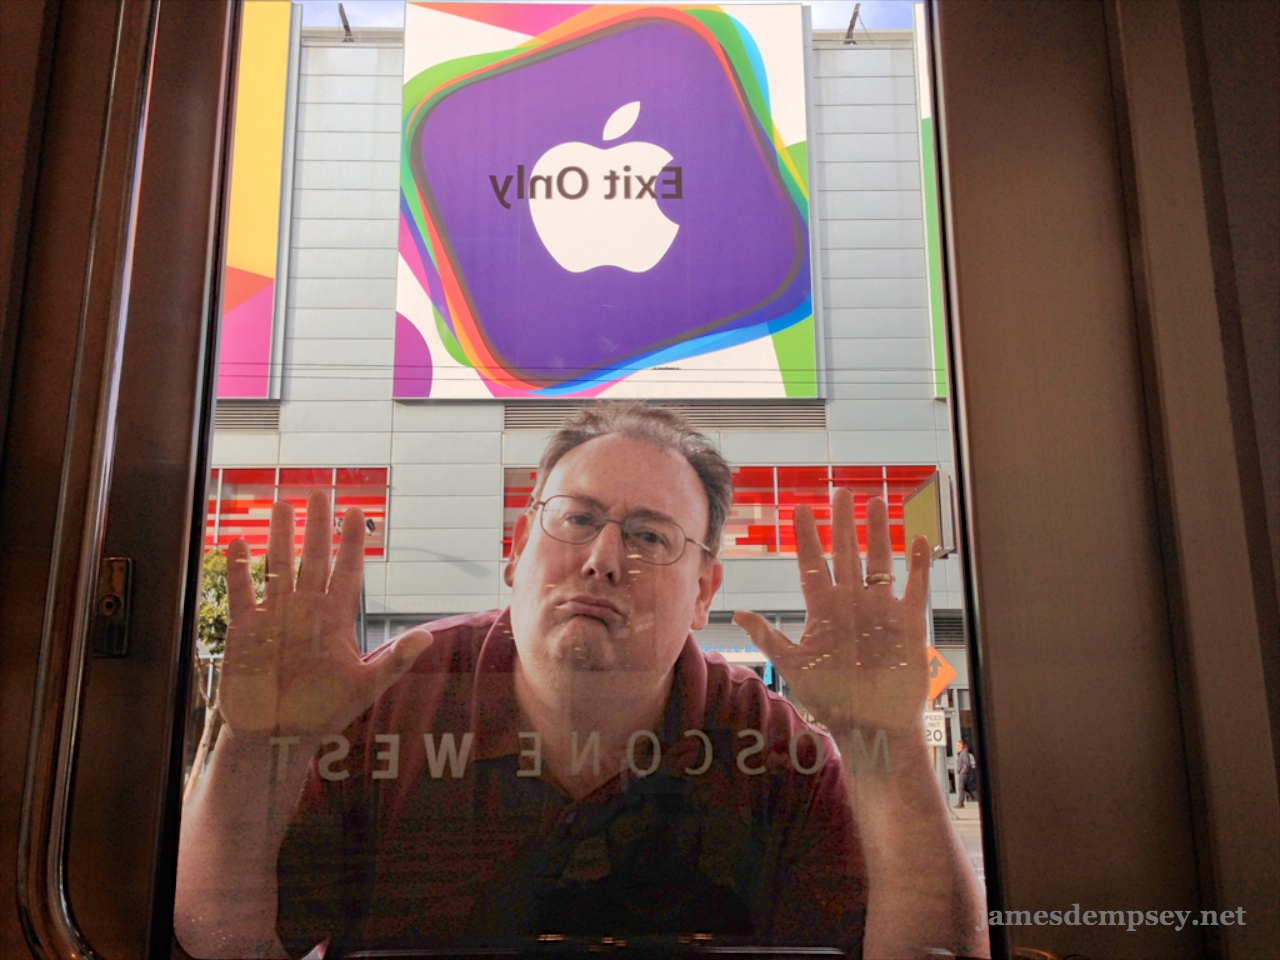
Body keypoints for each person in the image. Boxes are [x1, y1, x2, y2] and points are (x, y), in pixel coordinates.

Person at [175, 403, 987, 958]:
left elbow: (938, 949)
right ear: (517, 548)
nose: (603, 558)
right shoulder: (393, 704)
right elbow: (219, 939)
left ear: (705, 591)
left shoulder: (767, 749)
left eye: (649, 535)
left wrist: (887, 744)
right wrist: (257, 747)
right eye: (575, 519)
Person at [956, 741, 979, 807]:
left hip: (964, 773)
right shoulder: (962, 753)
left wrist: (963, 771)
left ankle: (960, 803)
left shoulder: (963, 753)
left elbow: (967, 763)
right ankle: (979, 799)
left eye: (957, 745)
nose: (956, 747)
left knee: (961, 787)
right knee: (969, 788)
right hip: (964, 772)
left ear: (961, 745)